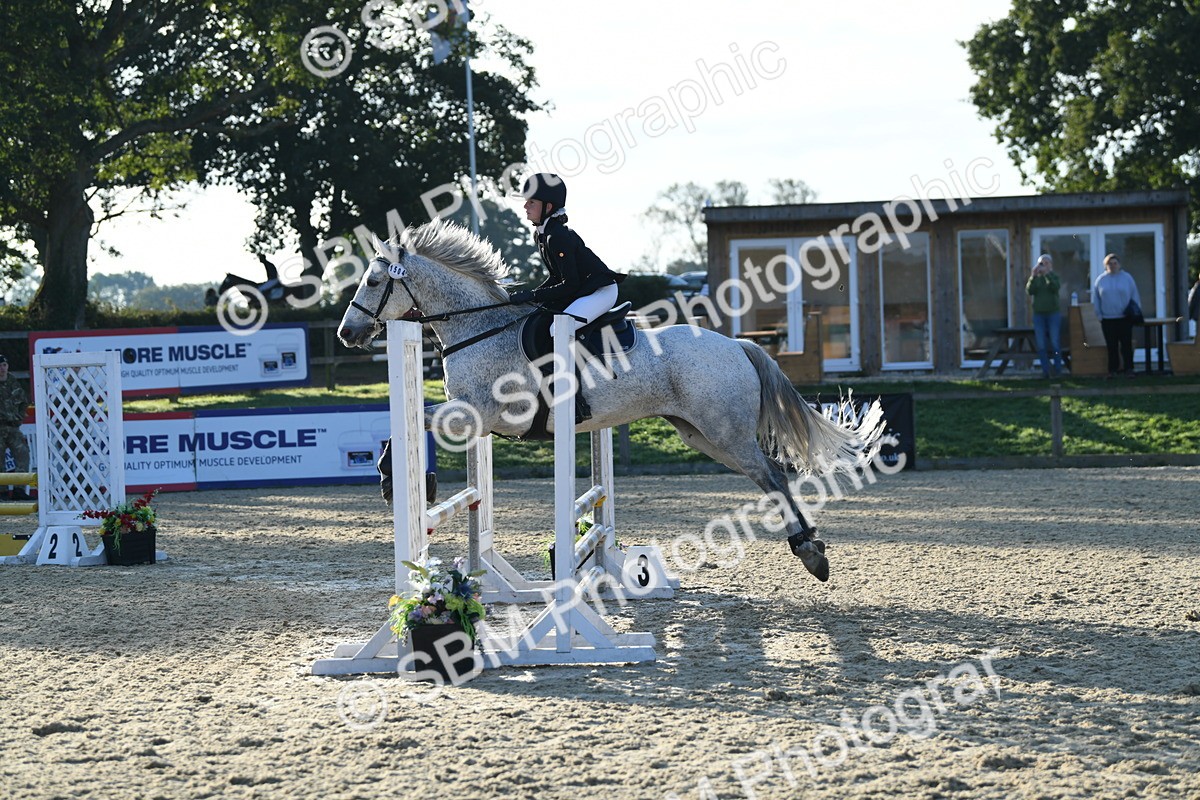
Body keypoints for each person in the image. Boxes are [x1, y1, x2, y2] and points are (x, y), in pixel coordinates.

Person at [510, 173, 626, 421]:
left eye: (531, 202)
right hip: (582, 289)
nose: (525, 206)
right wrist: (532, 298)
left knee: (558, 329)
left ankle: (573, 399)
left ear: (547, 207)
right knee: (540, 318)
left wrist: (533, 294)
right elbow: (556, 279)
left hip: (600, 292)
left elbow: (570, 285)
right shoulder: (542, 234)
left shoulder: (558, 236)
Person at [1092, 253, 1141, 377]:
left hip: (1125, 318)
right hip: (1108, 319)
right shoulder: (1101, 280)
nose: (1113, 266)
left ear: (1119, 265)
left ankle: (1129, 369)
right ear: (1106, 265)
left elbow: (1134, 296)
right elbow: (1096, 299)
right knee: (1111, 346)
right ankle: (1113, 370)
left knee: (1126, 345)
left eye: (1115, 263)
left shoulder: (1127, 278)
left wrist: (1136, 312)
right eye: (1110, 263)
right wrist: (1099, 315)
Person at [0, 354, 31, 501]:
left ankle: (19, 490)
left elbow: (24, 401)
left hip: (13, 427)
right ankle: (2, 492)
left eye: (4, 365)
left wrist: (19, 416)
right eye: (0, 366)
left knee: (23, 455)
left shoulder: (14, 382)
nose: (2, 368)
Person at [1026, 253, 1063, 377]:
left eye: (1047, 263)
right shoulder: (1036, 279)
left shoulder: (1054, 276)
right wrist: (1033, 276)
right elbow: (1029, 291)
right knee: (1041, 345)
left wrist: (1047, 274)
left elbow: (1055, 287)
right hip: (1039, 315)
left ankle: (1058, 370)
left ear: (1051, 265)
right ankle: (1045, 371)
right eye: (1042, 263)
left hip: (1053, 314)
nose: (1044, 266)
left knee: (1055, 343)